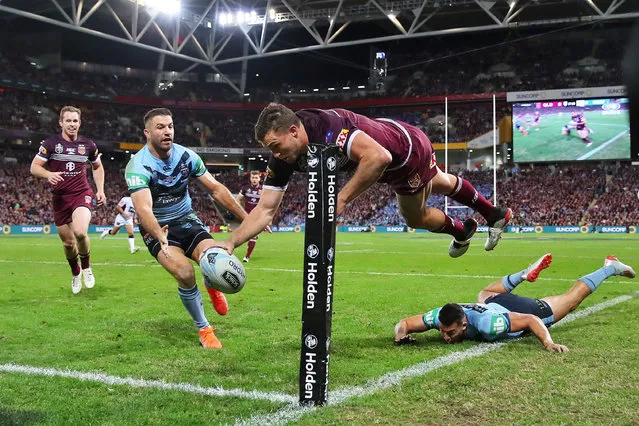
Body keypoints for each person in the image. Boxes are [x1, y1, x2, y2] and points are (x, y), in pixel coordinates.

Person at [214, 104, 511, 258]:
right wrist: (231, 241)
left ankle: (461, 231)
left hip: (404, 152)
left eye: (276, 146)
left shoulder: (328, 129)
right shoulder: (283, 156)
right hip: (397, 137)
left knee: (414, 215)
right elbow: (265, 210)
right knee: (440, 182)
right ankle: (493, 214)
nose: (275, 154)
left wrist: (341, 199)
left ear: (294, 131)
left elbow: (378, 157)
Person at [125, 108, 247, 349]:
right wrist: (159, 234)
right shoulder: (137, 165)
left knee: (216, 256)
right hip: (157, 229)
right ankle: (204, 330)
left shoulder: (187, 156)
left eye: (170, 126)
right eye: (160, 127)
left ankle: (211, 284)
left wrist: (245, 216)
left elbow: (215, 188)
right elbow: (144, 209)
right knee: (185, 274)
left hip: (187, 219)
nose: (167, 131)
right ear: (147, 133)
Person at [393, 253, 635, 352]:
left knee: (570, 301)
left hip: (518, 310)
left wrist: (548, 343)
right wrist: (400, 337)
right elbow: (404, 323)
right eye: (444, 332)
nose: (445, 337)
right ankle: (521, 275)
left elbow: (530, 320)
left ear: (464, 324)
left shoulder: (490, 325)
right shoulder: (440, 316)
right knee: (484, 292)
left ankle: (609, 267)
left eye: (451, 332)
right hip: (494, 300)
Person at [30, 106, 106, 294]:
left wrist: (100, 190)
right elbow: (34, 167)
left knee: (80, 232)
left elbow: (97, 167)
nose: (72, 124)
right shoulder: (50, 144)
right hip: (60, 198)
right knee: (68, 243)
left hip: (81, 193)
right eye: (68, 121)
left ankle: (87, 267)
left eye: (75, 121)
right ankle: (75, 272)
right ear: (61, 122)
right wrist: (48, 174)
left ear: (79, 123)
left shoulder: (88, 145)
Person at [236, 170, 263, 263]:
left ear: (259, 178)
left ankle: (247, 256)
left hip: (258, 216)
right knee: (245, 235)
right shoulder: (245, 188)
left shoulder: (263, 190)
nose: (254, 179)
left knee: (253, 236)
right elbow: (238, 200)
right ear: (250, 178)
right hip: (246, 216)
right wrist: (239, 211)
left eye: (256, 178)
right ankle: (255, 234)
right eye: (253, 177)